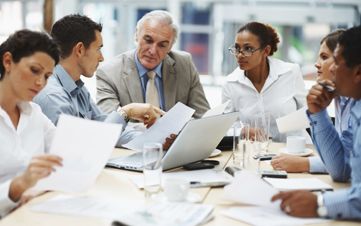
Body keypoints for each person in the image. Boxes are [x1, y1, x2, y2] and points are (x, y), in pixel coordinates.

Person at [272, 25, 361, 219]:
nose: (321, 66)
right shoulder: (350, 102)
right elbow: (342, 168)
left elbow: (342, 171)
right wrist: (318, 112)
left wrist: (319, 204)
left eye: (332, 59)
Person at [34, 14, 163, 146]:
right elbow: (87, 146)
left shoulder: (77, 88)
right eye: (98, 49)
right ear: (79, 50)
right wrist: (126, 112)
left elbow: (105, 128)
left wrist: (158, 139)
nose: (101, 58)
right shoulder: (52, 97)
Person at [96, 10, 210, 119]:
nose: (153, 51)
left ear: (170, 47)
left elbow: (203, 116)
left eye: (162, 45)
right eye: (148, 40)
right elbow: (108, 123)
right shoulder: (110, 73)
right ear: (136, 35)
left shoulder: (184, 64)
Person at [271, 30, 355, 173]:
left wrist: (305, 164)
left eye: (324, 57)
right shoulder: (338, 97)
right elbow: (340, 160)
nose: (316, 64)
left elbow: (346, 166)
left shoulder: (355, 102)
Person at [0, 30, 62, 217]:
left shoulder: (35, 113)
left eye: (47, 76)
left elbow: (65, 152)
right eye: (35, 70)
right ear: (8, 61)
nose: (40, 82)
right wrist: (17, 187)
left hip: (33, 212)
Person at [222, 22, 307, 142]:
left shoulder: (290, 73)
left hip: (293, 151)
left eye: (248, 49)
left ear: (266, 51)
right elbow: (225, 128)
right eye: (237, 48)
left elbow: (309, 114)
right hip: (256, 154)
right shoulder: (230, 84)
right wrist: (243, 130)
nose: (240, 55)